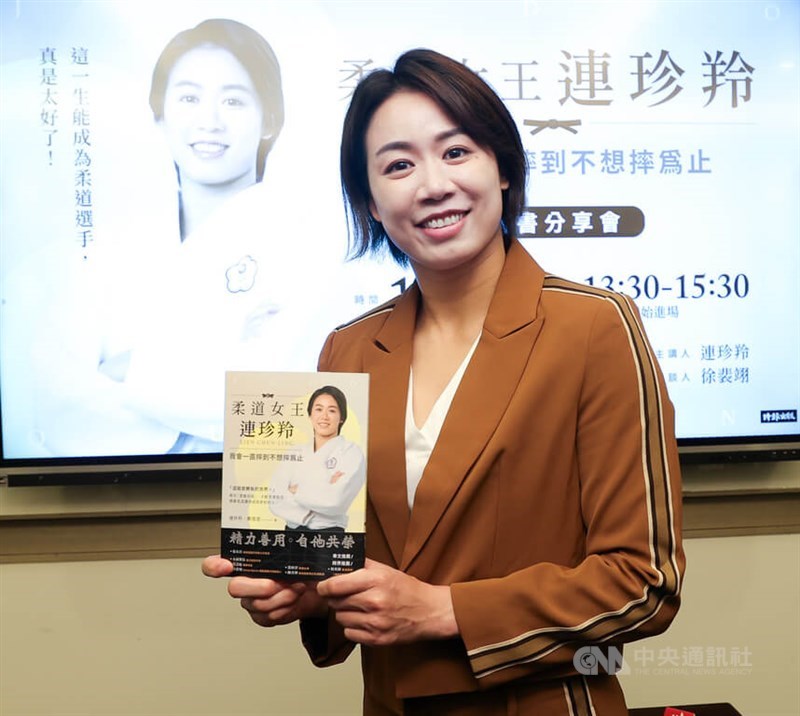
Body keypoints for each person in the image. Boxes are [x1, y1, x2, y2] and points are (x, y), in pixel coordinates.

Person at [203, 49, 685, 715]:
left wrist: (443, 610)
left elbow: (645, 582)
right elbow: (348, 563)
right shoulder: (348, 349)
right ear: (371, 204)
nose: (431, 185)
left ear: (504, 170)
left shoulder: (594, 327)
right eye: (398, 165)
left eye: (455, 152)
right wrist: (307, 594)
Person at [269, 385, 366, 532]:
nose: (324, 416)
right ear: (310, 415)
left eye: (332, 410)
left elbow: (336, 501)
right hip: (291, 533)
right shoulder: (295, 452)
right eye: (319, 409)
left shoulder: (351, 453)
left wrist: (296, 490)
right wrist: (323, 488)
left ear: (342, 417)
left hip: (329, 534)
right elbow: (275, 498)